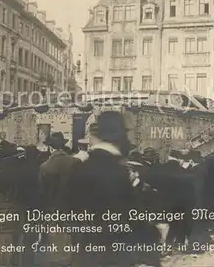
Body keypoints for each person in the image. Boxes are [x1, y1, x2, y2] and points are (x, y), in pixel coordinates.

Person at [67, 111, 140, 266]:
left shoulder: (79, 167)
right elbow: (129, 216)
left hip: (86, 253)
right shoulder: (118, 170)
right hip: (113, 254)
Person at [39, 132, 81, 267]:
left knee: (56, 248)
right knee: (74, 246)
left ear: (50, 148)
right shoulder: (76, 162)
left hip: (53, 211)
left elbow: (42, 194)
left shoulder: (44, 167)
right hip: (74, 210)